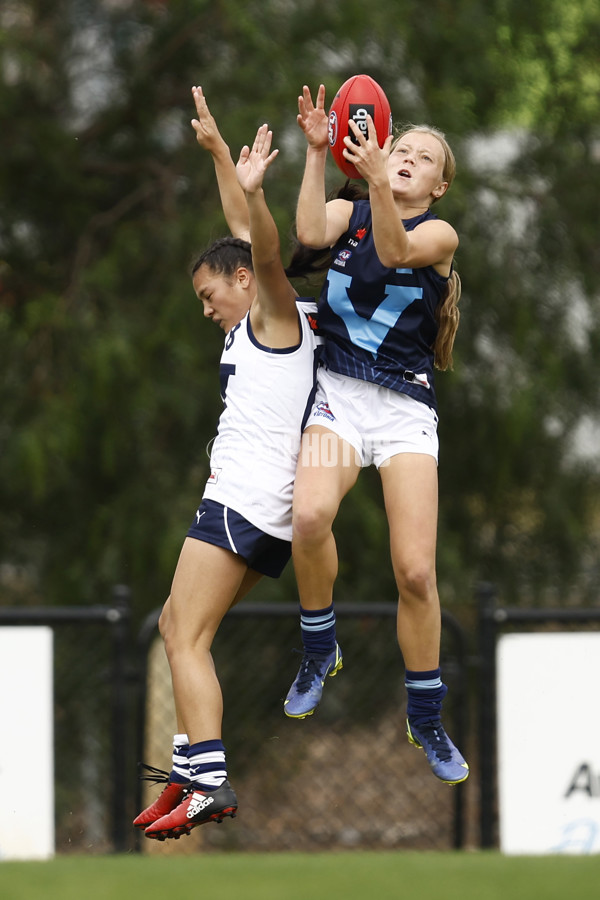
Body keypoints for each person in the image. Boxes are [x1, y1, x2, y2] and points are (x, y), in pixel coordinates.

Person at [133, 94, 321, 840]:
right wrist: (218, 154)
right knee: (180, 625)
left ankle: (206, 775)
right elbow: (245, 239)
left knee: (183, 635)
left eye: (210, 294)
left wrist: (253, 191)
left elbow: (259, 247)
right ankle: (192, 769)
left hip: (246, 497)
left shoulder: (274, 311)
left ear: (242, 283)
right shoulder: (266, 314)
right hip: (257, 502)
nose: (206, 308)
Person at [283, 83, 468, 785]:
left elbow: (392, 253)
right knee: (308, 518)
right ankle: (318, 643)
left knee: (416, 571)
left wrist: (375, 184)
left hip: (403, 411)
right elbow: (305, 235)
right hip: (341, 393)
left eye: (422, 158)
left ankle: (425, 716)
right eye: (403, 151)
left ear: (439, 184)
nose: (408, 160)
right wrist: (315, 152)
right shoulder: (348, 208)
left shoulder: (438, 236)